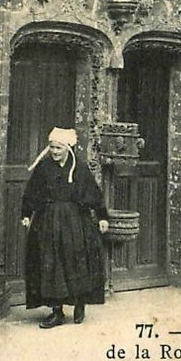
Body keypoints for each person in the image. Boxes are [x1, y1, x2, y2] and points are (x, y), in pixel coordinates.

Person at [21, 127, 110, 328]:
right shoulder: (44, 168)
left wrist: (102, 216)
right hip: (48, 222)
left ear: (67, 148)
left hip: (75, 222)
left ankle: (79, 303)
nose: (54, 152)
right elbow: (32, 192)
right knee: (51, 264)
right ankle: (56, 311)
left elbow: (93, 193)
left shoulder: (79, 168)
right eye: (51, 147)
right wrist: (26, 214)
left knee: (74, 262)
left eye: (58, 148)